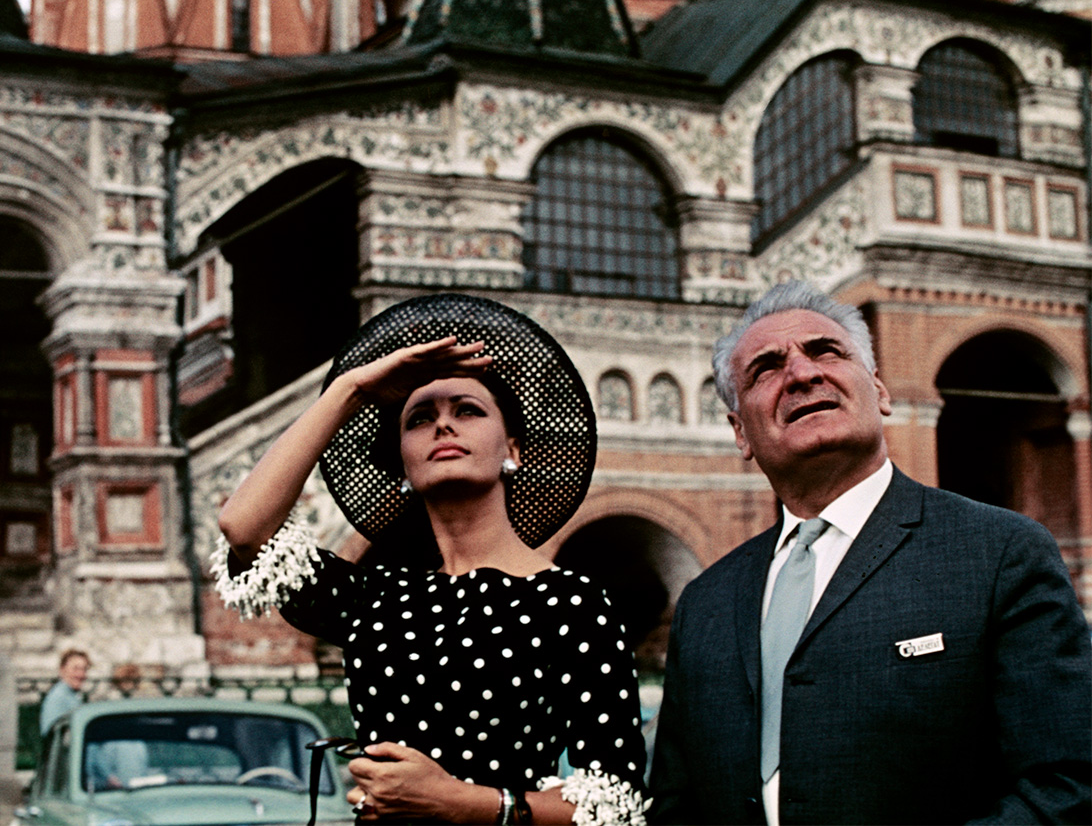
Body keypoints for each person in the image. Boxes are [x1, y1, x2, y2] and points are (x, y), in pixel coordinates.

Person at [647, 280, 1092, 824]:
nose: (803, 374)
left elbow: (1066, 784)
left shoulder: (999, 554)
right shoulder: (705, 602)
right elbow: (675, 805)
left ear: (879, 391)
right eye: (766, 368)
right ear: (740, 432)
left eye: (825, 351)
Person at [215, 293, 649, 825]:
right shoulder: (375, 597)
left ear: (511, 448)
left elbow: (617, 802)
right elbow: (245, 529)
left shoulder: (572, 603)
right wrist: (351, 388)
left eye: (467, 410)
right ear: (401, 462)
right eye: (419, 419)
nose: (443, 426)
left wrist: (457, 802)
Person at [39, 648, 90, 735]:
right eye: (75, 669)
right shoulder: (60, 697)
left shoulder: (71, 695)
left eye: (84, 669)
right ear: (62, 670)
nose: (81, 674)